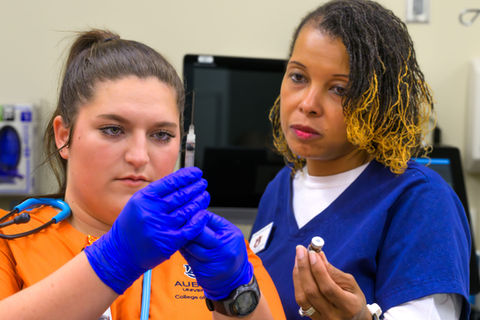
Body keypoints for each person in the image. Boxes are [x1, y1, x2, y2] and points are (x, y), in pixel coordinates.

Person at [0, 29, 285, 320]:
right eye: (113, 129)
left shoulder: (225, 256)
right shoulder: (9, 240)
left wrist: (235, 295)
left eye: (161, 135)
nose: (139, 156)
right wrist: (113, 260)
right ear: (64, 136)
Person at [249, 0, 471, 319]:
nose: (308, 103)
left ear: (380, 102)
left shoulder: (420, 199)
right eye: (298, 77)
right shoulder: (280, 187)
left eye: (339, 89)